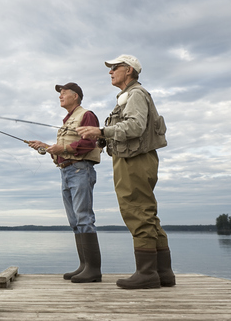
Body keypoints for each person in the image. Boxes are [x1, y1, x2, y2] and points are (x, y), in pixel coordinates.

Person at [77, 54, 176, 289]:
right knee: (148, 214)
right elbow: (127, 130)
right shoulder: (128, 96)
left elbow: (135, 126)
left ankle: (147, 274)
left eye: (115, 67)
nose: (110, 72)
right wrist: (102, 139)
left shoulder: (136, 94)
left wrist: (100, 132)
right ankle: (163, 273)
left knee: (136, 211)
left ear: (129, 70)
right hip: (134, 158)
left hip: (134, 161)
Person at [28, 82, 102, 283]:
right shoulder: (67, 120)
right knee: (74, 221)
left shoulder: (86, 115)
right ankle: (84, 266)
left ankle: (94, 270)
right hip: (66, 171)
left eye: (63, 93)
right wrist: (46, 147)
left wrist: (63, 149)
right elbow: (63, 149)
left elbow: (89, 143)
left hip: (80, 170)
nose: (60, 96)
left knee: (84, 217)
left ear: (75, 96)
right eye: (59, 93)